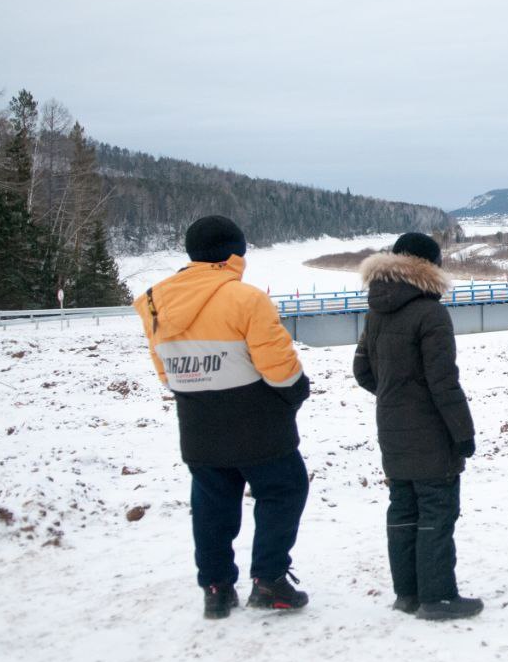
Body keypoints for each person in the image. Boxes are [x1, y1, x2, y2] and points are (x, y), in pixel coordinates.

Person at [133, 215, 312, 620]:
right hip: (257, 423)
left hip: (197, 422)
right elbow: (278, 368)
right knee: (284, 490)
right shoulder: (246, 298)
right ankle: (269, 579)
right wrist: (298, 391)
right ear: (235, 253)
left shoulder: (155, 301)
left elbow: (166, 372)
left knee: (212, 504)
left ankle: (215, 588)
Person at [353, 232, 483, 621]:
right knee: (437, 510)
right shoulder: (431, 313)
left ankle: (407, 594)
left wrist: (394, 394)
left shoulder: (377, 309)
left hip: (391, 426)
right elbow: (443, 382)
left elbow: (362, 370)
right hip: (430, 431)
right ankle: (438, 597)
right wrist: (463, 432)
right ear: (429, 266)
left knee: (403, 508)